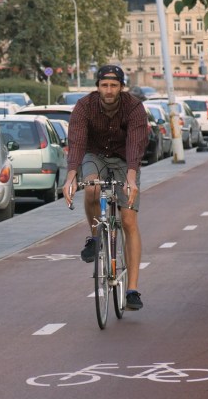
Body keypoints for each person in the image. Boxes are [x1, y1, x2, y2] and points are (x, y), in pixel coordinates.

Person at [63, 65, 148, 310]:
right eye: (104, 85)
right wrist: (70, 178)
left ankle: (131, 290)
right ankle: (94, 236)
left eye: (113, 86)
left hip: (124, 159)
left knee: (129, 220)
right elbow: (77, 142)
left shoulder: (134, 108)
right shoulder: (84, 106)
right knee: (91, 189)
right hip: (95, 154)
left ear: (122, 87)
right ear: (97, 86)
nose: (108, 90)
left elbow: (135, 144)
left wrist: (131, 178)